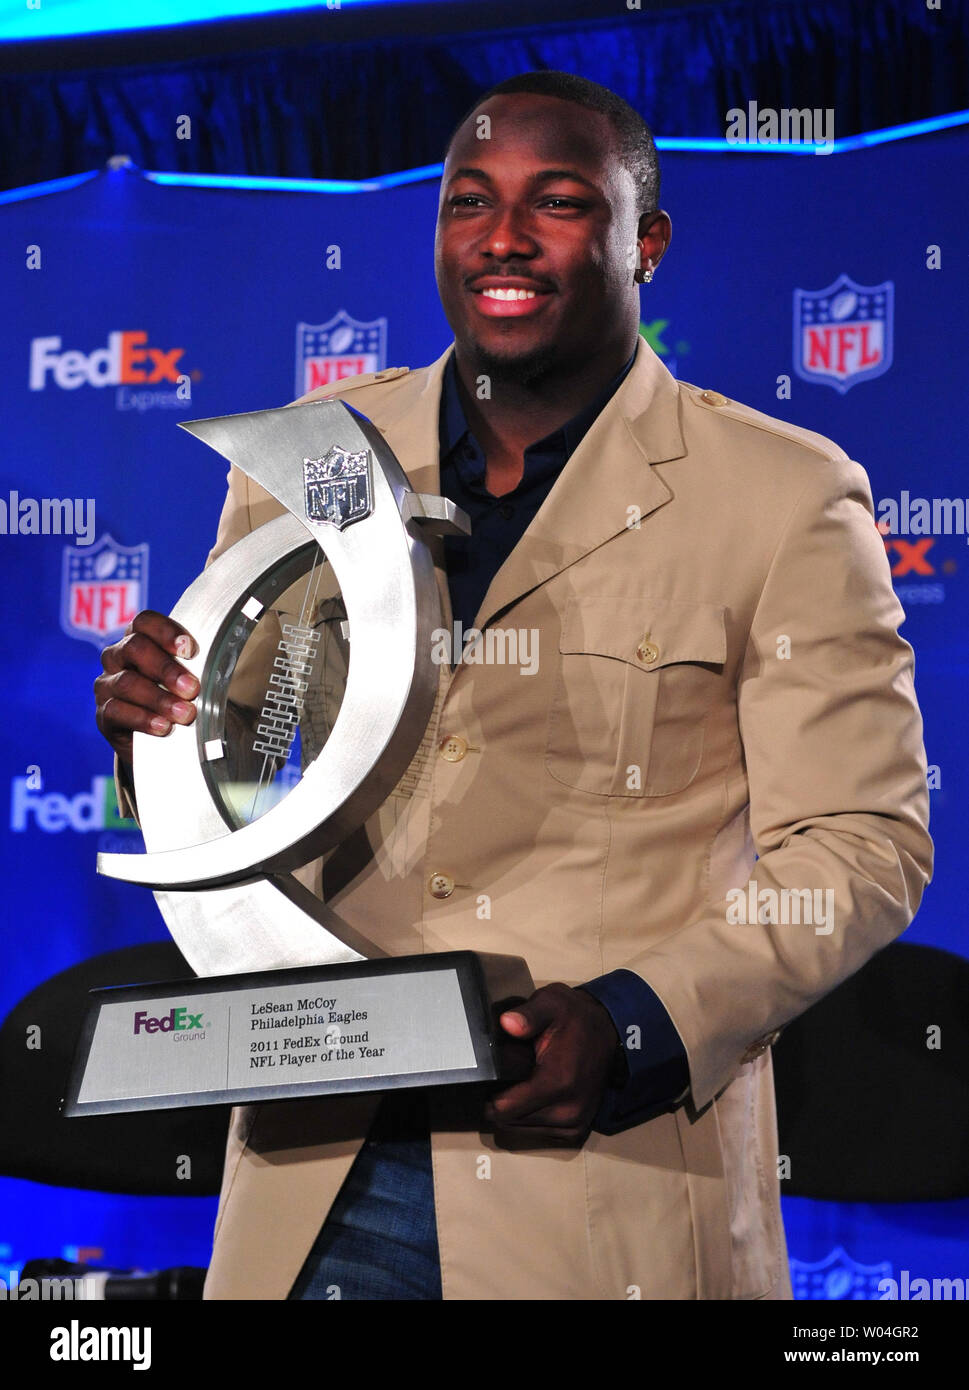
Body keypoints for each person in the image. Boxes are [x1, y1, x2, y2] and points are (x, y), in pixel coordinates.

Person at [94, 71, 932, 1300]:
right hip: (318, 1167)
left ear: (645, 241)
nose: (501, 237)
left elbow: (862, 843)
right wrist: (150, 726)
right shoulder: (318, 458)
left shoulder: (784, 495)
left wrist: (638, 1018)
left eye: (556, 203)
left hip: (599, 1182)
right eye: (468, 201)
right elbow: (222, 764)